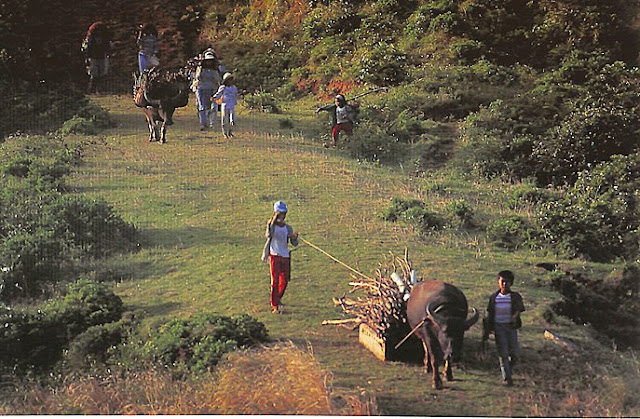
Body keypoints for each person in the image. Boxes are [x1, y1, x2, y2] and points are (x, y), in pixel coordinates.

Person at [484, 270, 525, 386]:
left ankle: (508, 370)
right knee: (503, 353)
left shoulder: (515, 297)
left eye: (507, 282)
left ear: (511, 283)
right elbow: (489, 313)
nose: (504, 284)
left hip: (511, 327)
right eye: (502, 282)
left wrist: (514, 317)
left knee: (515, 354)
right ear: (498, 282)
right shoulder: (494, 298)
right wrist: (487, 329)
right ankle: (506, 378)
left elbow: (519, 309)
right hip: (498, 327)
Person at [261, 201, 299, 314]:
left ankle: (277, 299)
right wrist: (273, 221)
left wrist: (294, 237)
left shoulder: (288, 228)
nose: (282, 216)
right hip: (274, 255)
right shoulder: (271, 225)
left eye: (283, 213)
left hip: (285, 255)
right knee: (275, 281)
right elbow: (268, 234)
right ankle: (275, 305)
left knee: (285, 280)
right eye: (280, 213)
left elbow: (294, 243)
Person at [191, 50, 222, 130]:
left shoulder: (215, 70)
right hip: (201, 89)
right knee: (202, 107)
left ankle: (212, 123)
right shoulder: (200, 69)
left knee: (213, 107)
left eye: (211, 61)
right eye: (207, 61)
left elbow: (217, 80)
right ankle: (203, 123)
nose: (209, 63)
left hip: (212, 90)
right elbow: (197, 78)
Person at [82, 21, 113, 94]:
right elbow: (86, 48)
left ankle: (100, 90)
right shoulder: (90, 38)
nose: (99, 31)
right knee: (94, 74)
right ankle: (92, 90)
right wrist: (87, 57)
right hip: (93, 58)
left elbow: (109, 47)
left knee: (102, 74)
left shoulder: (105, 38)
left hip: (102, 57)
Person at [212, 72, 239, 138]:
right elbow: (219, 94)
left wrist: (235, 101)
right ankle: (225, 133)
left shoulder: (234, 88)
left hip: (231, 105)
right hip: (225, 105)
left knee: (232, 120)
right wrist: (214, 97)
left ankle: (230, 131)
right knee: (224, 119)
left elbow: (235, 95)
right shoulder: (223, 88)